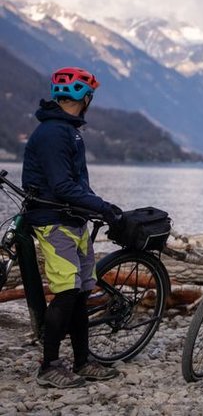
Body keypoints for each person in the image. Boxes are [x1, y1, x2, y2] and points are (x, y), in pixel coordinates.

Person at [22, 67, 123, 388]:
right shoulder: (53, 133)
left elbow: (77, 184)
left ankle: (82, 361)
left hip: (72, 220)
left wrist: (97, 207)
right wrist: (103, 207)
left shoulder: (68, 130)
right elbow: (63, 186)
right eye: (91, 96)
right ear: (85, 97)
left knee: (81, 292)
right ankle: (48, 365)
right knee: (66, 293)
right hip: (54, 222)